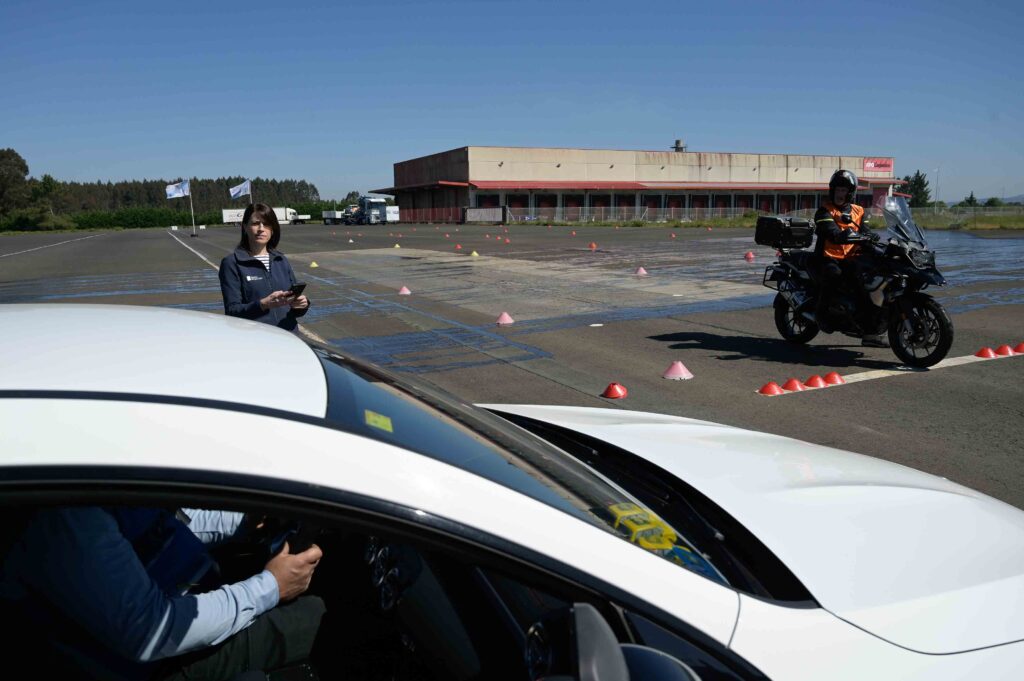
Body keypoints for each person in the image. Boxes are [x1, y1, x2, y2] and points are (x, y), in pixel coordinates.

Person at [0, 506, 325, 681]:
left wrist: (249, 520)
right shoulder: (66, 518)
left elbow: (169, 519)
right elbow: (152, 631)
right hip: (151, 663)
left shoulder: (92, 472)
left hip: (179, 603)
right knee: (313, 615)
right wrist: (270, 587)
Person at [811, 169, 885, 345]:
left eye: (843, 190)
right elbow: (830, 230)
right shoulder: (824, 211)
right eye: (837, 190)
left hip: (851, 259)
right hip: (827, 258)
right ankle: (821, 314)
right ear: (832, 191)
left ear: (850, 192)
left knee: (866, 284)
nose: (840, 193)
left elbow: (865, 231)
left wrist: (872, 237)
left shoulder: (858, 211)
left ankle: (869, 332)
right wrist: (839, 234)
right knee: (833, 275)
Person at [219, 204, 310, 332]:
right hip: (259, 341)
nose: (261, 229)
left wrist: (301, 305)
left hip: (289, 338)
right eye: (256, 223)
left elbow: (293, 307)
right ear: (245, 227)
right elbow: (232, 312)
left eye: (267, 224)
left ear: (272, 230)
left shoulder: (281, 260)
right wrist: (263, 304)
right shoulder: (232, 263)